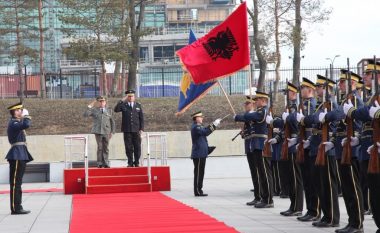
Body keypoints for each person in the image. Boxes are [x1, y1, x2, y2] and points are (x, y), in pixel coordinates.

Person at [299, 75, 340, 228]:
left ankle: (332, 218)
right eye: (316, 86)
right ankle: (325, 215)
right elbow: (314, 120)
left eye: (319, 87)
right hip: (317, 146)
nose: (317, 89)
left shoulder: (332, 104)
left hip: (327, 147)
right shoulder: (321, 105)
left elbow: (315, 119)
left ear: (327, 89)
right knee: (320, 184)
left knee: (329, 185)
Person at [327, 70, 364, 233]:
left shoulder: (355, 100)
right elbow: (340, 125)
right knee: (347, 188)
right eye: (340, 82)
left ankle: (358, 224)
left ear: (353, 84)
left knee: (353, 187)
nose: (340, 85)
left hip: (351, 149)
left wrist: (355, 138)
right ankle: (351, 221)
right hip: (342, 148)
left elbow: (358, 124)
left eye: (343, 82)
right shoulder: (345, 101)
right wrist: (334, 141)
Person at [235, 91, 274, 208]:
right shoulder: (259, 111)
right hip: (256, 144)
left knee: (264, 173)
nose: (255, 102)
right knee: (261, 173)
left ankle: (268, 200)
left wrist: (238, 117)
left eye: (257, 100)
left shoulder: (263, 111)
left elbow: (253, 116)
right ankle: (263, 197)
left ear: (263, 100)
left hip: (261, 144)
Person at [272, 82, 303, 216]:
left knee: (296, 178)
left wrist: (288, 118)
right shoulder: (289, 108)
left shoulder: (298, 107)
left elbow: (297, 125)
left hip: (294, 145)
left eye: (288, 93)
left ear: (294, 94)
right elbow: (285, 129)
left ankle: (298, 207)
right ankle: (292, 205)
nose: (286, 95)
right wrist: (278, 138)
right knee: (290, 178)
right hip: (287, 145)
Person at [294, 78, 318, 222]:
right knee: (307, 180)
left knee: (312, 180)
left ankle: (314, 210)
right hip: (303, 144)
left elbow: (313, 122)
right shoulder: (303, 104)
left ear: (309, 90)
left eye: (303, 88)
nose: (301, 90)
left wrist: (307, 140)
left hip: (310, 144)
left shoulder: (313, 104)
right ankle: (310, 209)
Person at [6, 102, 33, 215]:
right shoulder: (13, 123)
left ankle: (18, 206)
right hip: (16, 154)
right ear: (13, 112)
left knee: (18, 182)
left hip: (20, 153)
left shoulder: (17, 122)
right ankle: (15, 208)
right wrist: (26, 116)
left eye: (21, 110)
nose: (20, 112)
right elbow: (26, 125)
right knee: (15, 183)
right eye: (18, 110)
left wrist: (24, 117)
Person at [190, 111, 221, 197]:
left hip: (201, 154)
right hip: (198, 154)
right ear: (196, 118)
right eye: (200, 117)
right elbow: (205, 132)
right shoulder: (196, 127)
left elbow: (205, 130)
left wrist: (213, 124)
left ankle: (199, 190)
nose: (202, 118)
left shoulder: (199, 127)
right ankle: (197, 191)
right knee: (198, 173)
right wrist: (214, 125)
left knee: (201, 172)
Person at [114, 90, 144, 167]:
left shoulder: (138, 105)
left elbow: (141, 118)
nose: (130, 98)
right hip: (127, 130)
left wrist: (141, 129)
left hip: (136, 130)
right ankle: (130, 162)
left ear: (134, 97)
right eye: (129, 96)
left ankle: (136, 162)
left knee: (137, 146)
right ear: (127, 97)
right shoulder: (124, 105)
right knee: (128, 147)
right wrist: (121, 100)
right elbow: (116, 110)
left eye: (132, 96)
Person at [241, 96, 262, 205]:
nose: (245, 105)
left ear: (252, 104)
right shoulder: (248, 116)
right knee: (253, 172)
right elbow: (247, 132)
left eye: (247, 103)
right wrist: (243, 133)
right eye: (245, 103)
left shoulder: (253, 115)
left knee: (258, 172)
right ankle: (257, 196)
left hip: (255, 145)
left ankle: (260, 196)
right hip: (249, 146)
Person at [84, 96, 115, 168]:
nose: (101, 103)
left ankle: (106, 162)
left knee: (106, 148)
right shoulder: (94, 110)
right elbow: (85, 114)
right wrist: (91, 104)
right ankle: (99, 163)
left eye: (103, 101)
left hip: (107, 131)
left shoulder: (109, 111)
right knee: (100, 147)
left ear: (105, 102)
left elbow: (112, 121)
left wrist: (112, 131)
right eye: (100, 101)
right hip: (98, 131)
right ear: (98, 103)